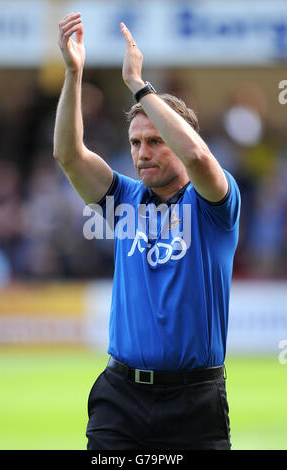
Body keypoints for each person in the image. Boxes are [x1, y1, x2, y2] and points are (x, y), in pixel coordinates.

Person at [54, 12, 241, 450]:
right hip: (120, 397)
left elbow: (196, 156)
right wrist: (73, 73)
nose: (142, 153)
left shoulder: (214, 203)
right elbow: (68, 154)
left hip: (195, 401)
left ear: (175, 140)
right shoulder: (124, 200)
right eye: (136, 142)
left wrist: (139, 83)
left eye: (155, 141)